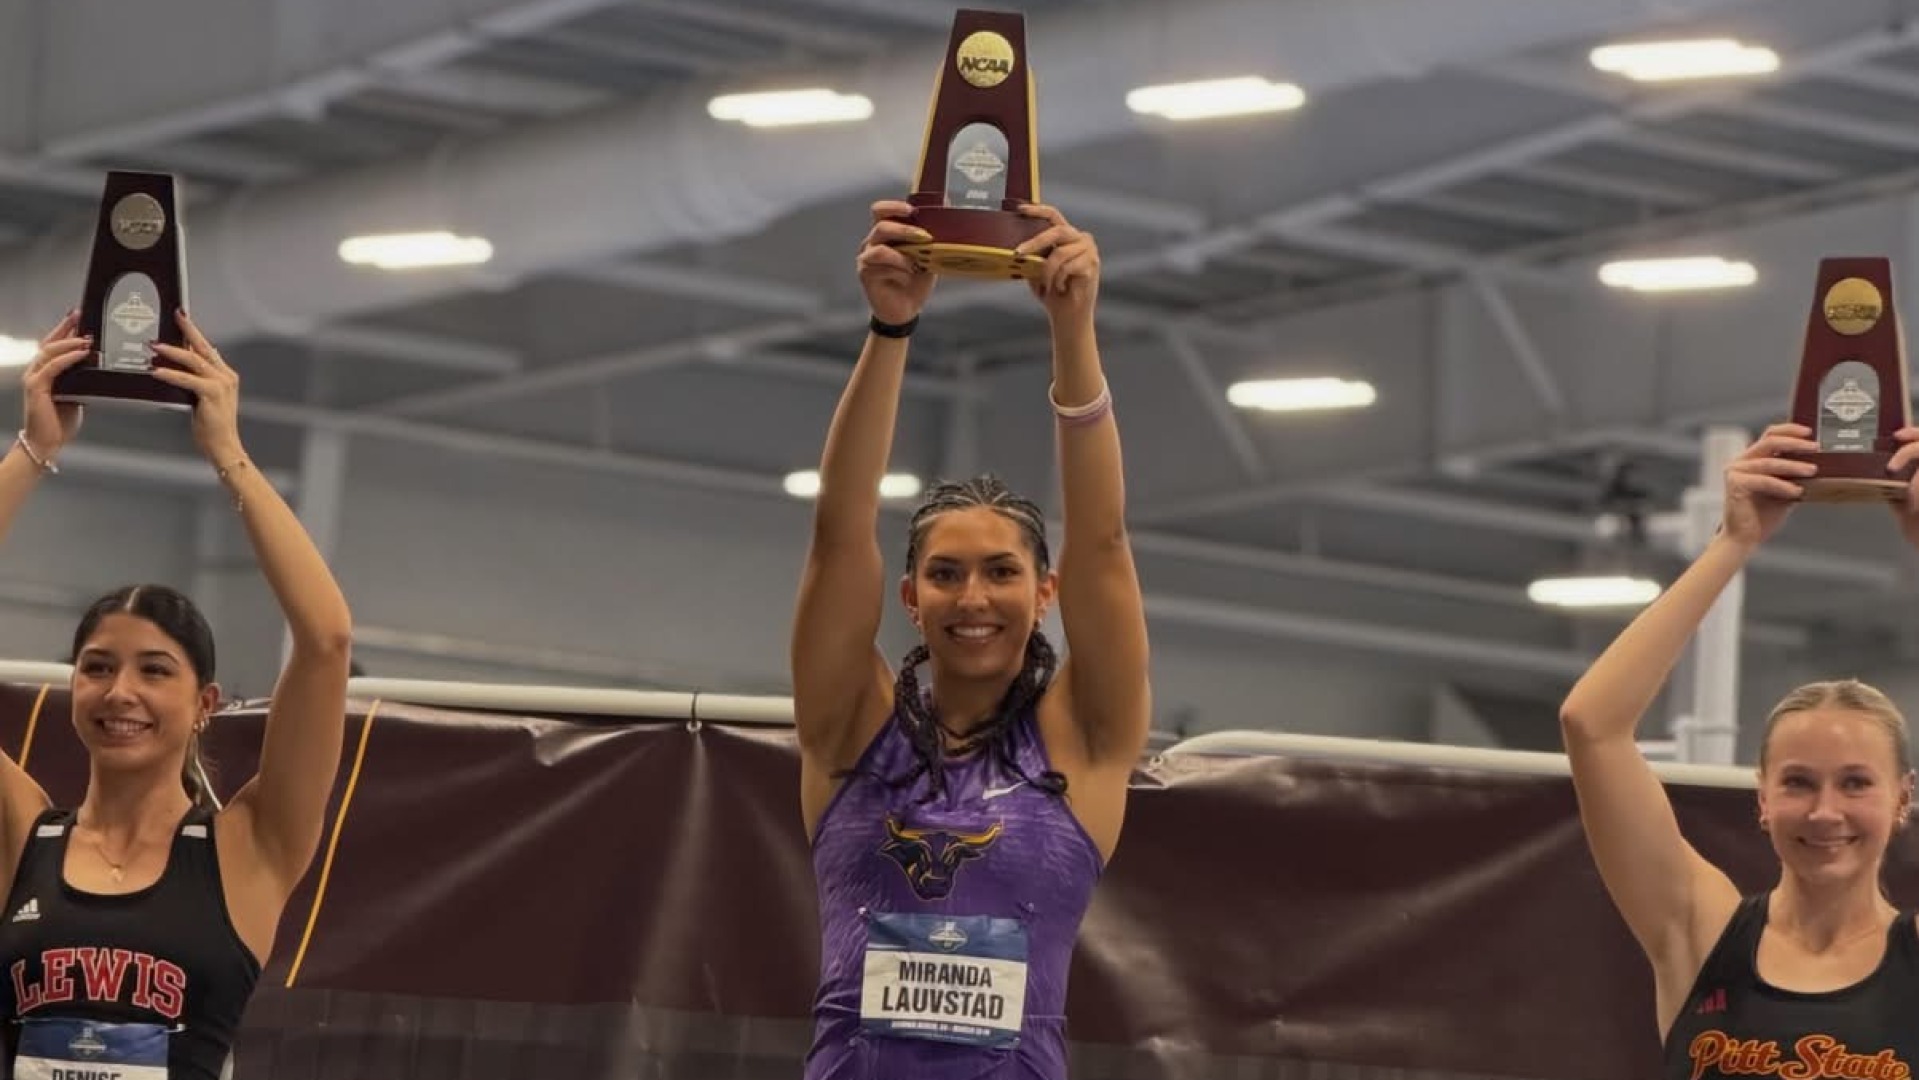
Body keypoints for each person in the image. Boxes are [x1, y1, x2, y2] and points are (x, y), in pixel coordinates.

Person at [790, 202, 1150, 1079]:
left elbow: (1102, 539)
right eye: (946, 575)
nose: (973, 597)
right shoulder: (848, 734)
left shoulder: (1084, 743)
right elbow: (840, 534)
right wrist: (890, 325)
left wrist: (1073, 329)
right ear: (911, 599)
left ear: (1044, 592)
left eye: (1000, 572)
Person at [0, 309, 353, 1079]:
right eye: (97, 667)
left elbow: (325, 642)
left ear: (205, 703)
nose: (120, 691)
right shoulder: (22, 836)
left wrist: (228, 454)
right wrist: (32, 449)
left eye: (155, 670)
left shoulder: (249, 847)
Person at [1561, 421, 1919, 1079]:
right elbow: (1591, 725)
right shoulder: (1699, 932)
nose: (1824, 811)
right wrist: (1732, 541)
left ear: (1903, 797)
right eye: (1798, 783)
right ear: (1761, 797)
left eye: (1855, 783)